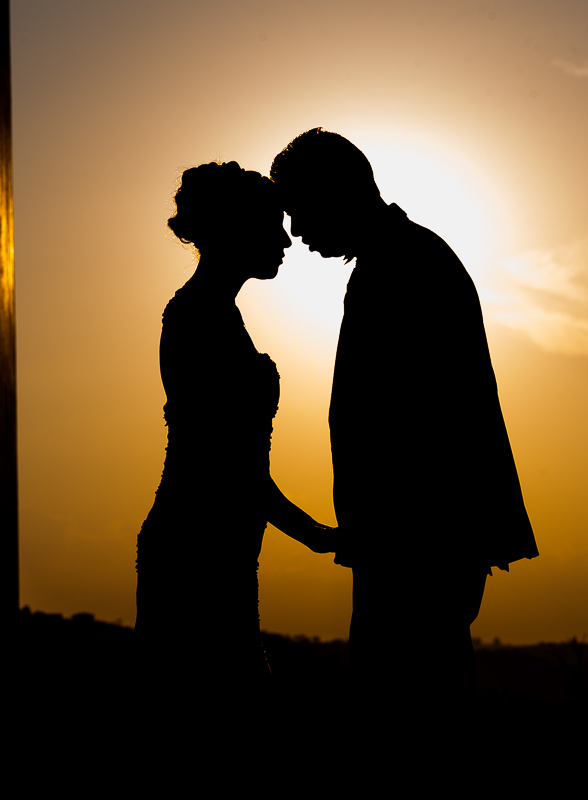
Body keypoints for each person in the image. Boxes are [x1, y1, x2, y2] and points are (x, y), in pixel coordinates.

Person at [269, 129, 538, 711]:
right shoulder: (402, 257)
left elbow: (427, 419)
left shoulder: (403, 265)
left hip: (417, 538)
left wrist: (394, 534)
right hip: (411, 537)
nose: (295, 230)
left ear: (334, 196)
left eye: (300, 211)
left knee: (407, 702)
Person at [135, 161, 336, 716]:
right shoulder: (197, 318)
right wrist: (314, 534)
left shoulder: (215, 314)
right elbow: (223, 464)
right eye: (273, 227)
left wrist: (314, 533)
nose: (286, 241)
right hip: (195, 547)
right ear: (236, 231)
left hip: (218, 542)